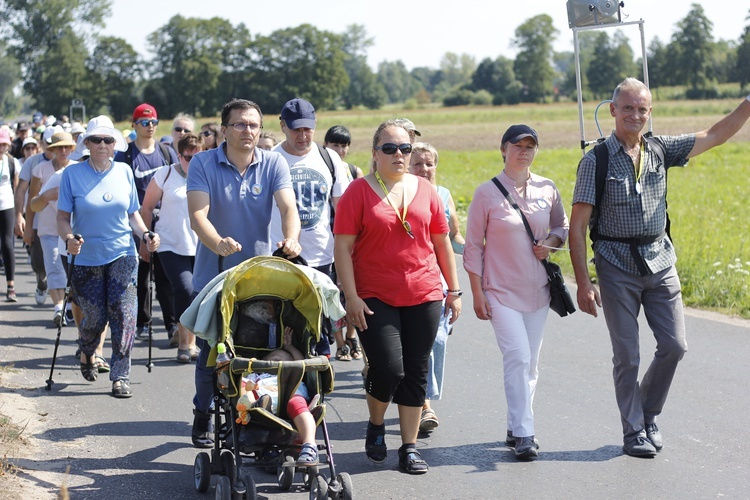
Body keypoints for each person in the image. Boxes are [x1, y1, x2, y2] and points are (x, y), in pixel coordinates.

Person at [569, 78, 750, 458]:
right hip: (615, 264)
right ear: (614, 110)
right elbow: (578, 227)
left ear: (650, 113)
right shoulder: (596, 160)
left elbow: (715, 134)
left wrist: (748, 104)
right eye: (628, 108)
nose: (635, 115)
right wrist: (584, 284)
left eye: (643, 109)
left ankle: (648, 413)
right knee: (628, 354)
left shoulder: (660, 149)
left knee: (674, 345)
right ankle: (633, 430)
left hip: (660, 260)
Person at [333, 119, 461, 474]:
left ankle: (409, 446)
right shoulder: (357, 193)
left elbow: (441, 243)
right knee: (389, 369)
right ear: (374, 154)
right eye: (389, 148)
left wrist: (453, 290)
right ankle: (376, 424)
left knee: (417, 372)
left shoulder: (425, 189)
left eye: (404, 148)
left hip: (424, 293)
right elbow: (342, 248)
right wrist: (352, 296)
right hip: (374, 295)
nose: (399, 155)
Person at [186, 98, 301, 448]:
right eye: (239, 124)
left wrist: (292, 238)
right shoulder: (203, 163)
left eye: (253, 125)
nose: (247, 131)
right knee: (213, 354)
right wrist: (217, 241)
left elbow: (287, 206)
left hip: (259, 279)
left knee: (258, 353)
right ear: (224, 129)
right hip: (215, 276)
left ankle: (257, 419)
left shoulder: (274, 163)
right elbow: (198, 215)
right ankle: (203, 412)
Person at [463, 124, 568, 461]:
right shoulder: (486, 192)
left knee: (531, 364)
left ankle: (514, 424)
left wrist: (550, 244)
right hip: (500, 291)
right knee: (518, 357)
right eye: (517, 145)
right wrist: (476, 293)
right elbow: (473, 248)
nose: (524, 151)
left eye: (530, 146)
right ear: (503, 149)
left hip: (538, 291)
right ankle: (525, 433)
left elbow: (561, 227)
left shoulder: (547, 188)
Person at [56, 115, 160, 398]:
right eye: (97, 140)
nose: (103, 145)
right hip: (86, 257)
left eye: (108, 140)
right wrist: (68, 238)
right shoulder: (72, 174)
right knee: (93, 319)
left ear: (115, 144)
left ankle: (120, 375)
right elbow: (63, 218)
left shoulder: (124, 171)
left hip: (122, 254)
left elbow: (133, 215)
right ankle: (87, 352)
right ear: (87, 143)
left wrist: (146, 235)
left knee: (125, 316)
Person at [270, 97, 350, 358]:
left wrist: (347, 254)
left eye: (307, 129)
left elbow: (344, 212)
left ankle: (317, 388)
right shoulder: (270, 160)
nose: (302, 135)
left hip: (320, 258)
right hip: (280, 258)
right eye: (296, 129)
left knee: (320, 328)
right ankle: (290, 387)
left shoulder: (330, 159)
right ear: (282, 126)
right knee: (287, 327)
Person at [407, 142, 466, 433]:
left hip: (440, 278)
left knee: (437, 341)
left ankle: (422, 399)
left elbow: (455, 237)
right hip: (409, 277)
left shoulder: (443, 195)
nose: (424, 169)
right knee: (420, 343)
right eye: (417, 164)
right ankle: (423, 405)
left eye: (429, 164)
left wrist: (482, 255)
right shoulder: (399, 195)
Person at [115, 103, 179, 344]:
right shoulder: (126, 156)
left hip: (166, 221)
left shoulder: (166, 152)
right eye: (144, 122)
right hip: (137, 222)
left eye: (153, 122)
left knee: (165, 275)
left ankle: (172, 325)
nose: (150, 127)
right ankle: (142, 321)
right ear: (134, 125)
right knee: (140, 274)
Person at [140, 133, 203, 363]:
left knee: (199, 292)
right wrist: (144, 240)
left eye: (198, 158)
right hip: (170, 244)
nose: (192, 163)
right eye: (188, 158)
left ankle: (192, 341)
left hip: (200, 245)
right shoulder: (165, 175)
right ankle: (185, 344)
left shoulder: (208, 176)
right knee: (184, 289)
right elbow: (146, 208)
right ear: (179, 156)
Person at [240, 322, 320, 465]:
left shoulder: (293, 374)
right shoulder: (257, 375)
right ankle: (256, 406)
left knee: (297, 405)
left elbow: (302, 363)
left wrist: (289, 347)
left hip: (291, 394)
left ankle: (309, 445)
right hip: (262, 399)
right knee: (251, 393)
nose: (281, 362)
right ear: (262, 362)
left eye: (286, 360)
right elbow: (243, 382)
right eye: (276, 359)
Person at [28, 132, 77, 325]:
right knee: (54, 268)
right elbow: (32, 203)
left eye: (67, 147)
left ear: (72, 149)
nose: (63, 151)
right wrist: (27, 228)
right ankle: (58, 308)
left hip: (72, 230)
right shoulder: (41, 169)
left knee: (71, 273)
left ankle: (71, 306)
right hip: (48, 227)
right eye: (59, 147)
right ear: (53, 150)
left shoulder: (77, 170)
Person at [16, 125, 63, 306]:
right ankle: (41, 283)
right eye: (50, 144)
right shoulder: (35, 163)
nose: (56, 149)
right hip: (38, 220)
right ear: (44, 144)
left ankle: (60, 304)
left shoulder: (72, 164)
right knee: (38, 262)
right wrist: (23, 221)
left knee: (58, 263)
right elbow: (22, 191)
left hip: (63, 224)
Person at [0, 128, 20, 301]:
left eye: (4, 144)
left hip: (7, 205)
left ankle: (10, 286)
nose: (1, 147)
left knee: (7, 244)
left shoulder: (12, 162)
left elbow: (17, 187)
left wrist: (19, 212)